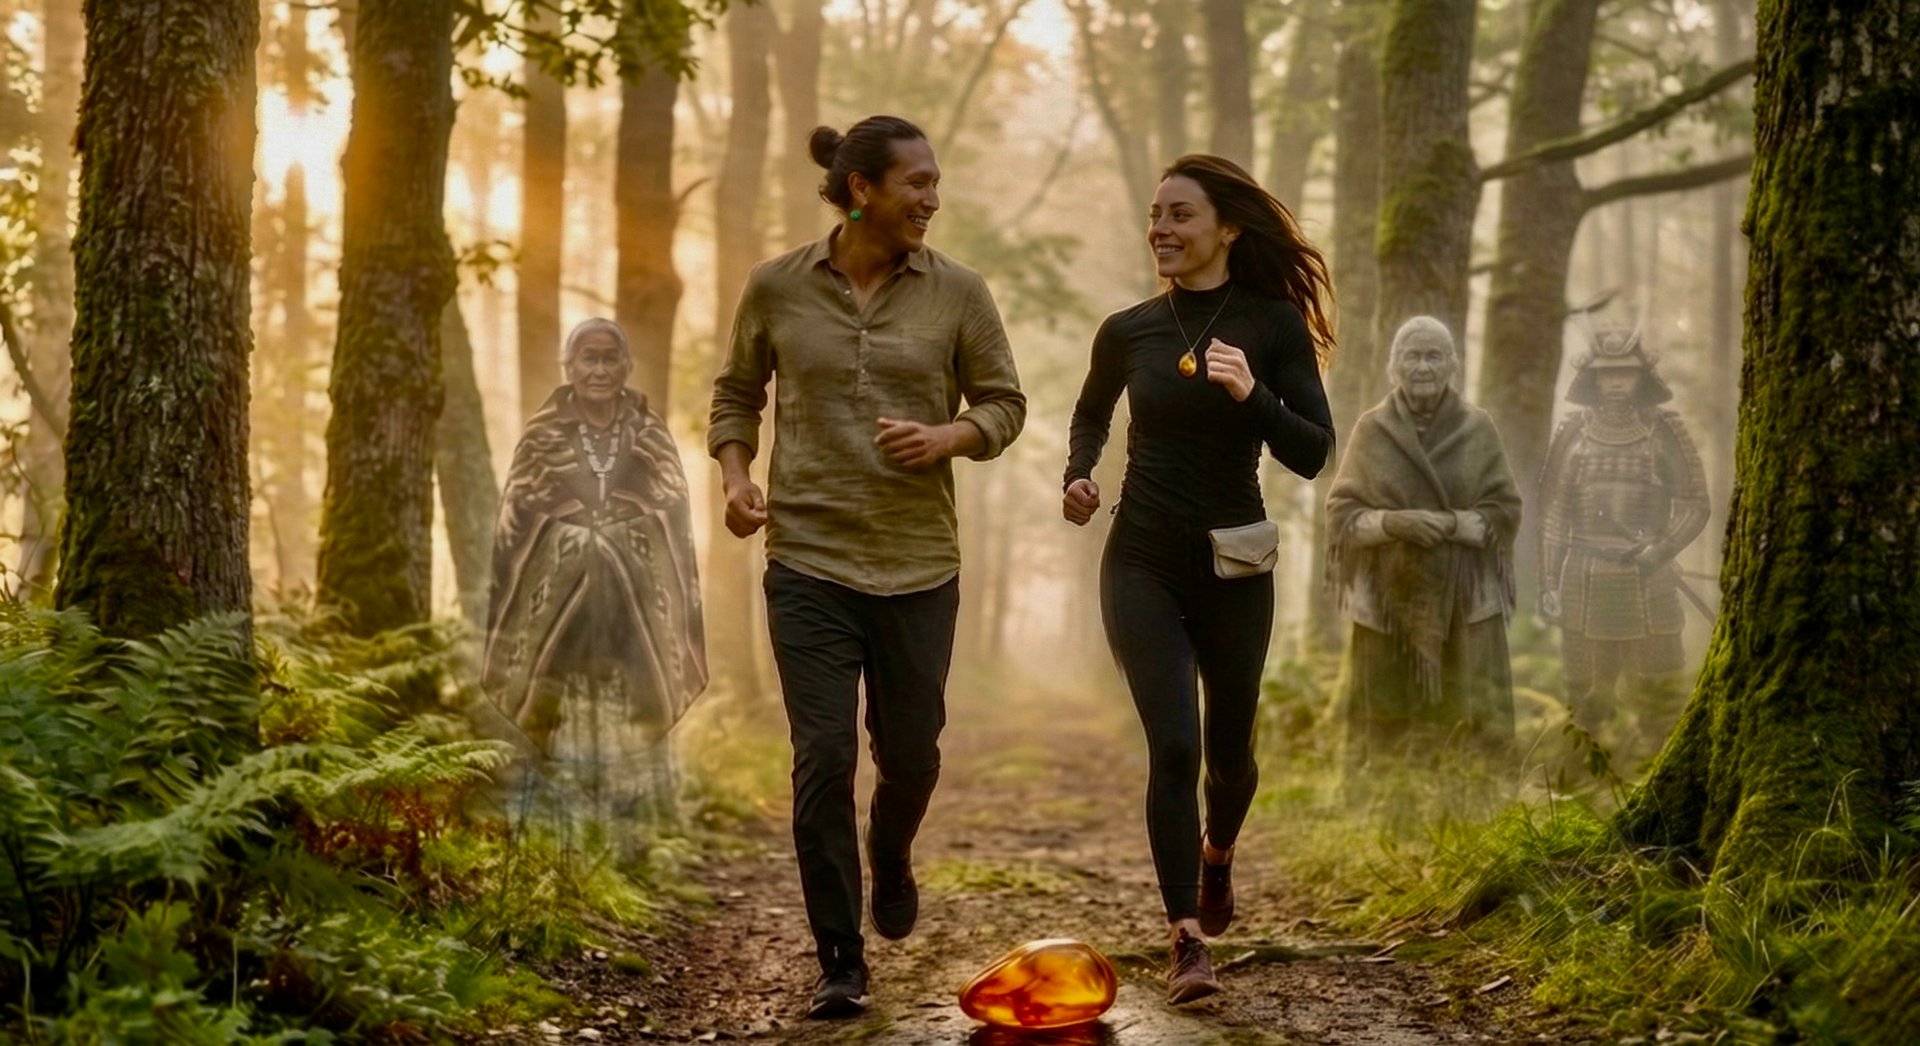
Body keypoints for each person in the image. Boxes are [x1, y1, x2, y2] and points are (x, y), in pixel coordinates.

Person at [707, 115, 1026, 1020]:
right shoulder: (775, 286)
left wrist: (951, 434)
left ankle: (891, 850)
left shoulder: (959, 293)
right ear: (861, 191)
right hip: (807, 557)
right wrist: (737, 480)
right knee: (822, 756)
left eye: (936, 181)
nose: (933, 197)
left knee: (912, 755)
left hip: (919, 563)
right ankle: (839, 959)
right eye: (916, 182)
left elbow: (1006, 403)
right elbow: (736, 394)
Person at [1062, 154, 1335, 1005]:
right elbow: (1092, 409)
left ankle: (1218, 855)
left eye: (1180, 214)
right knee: (1174, 744)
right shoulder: (1129, 328)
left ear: (1227, 229)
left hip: (1236, 565)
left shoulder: (1273, 325)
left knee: (1231, 755)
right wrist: (1079, 473)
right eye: (1155, 215)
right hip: (1140, 557)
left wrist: (1251, 391)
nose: (1162, 230)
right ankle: (1186, 941)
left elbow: (1313, 451)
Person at [482, 317, 707, 838]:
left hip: (636, 629)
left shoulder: (649, 434)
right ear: (570, 367)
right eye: (589, 358)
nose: (600, 369)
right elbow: (519, 518)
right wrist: (580, 541)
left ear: (626, 367)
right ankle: (553, 834)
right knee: (551, 719)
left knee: (635, 724)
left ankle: (639, 837)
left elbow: (669, 512)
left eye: (610, 358)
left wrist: (617, 542)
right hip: (555, 631)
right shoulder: (541, 435)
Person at [1326, 316, 1521, 767]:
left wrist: (1450, 525)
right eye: (1412, 356)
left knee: (1470, 710)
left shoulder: (1478, 428)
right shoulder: (1371, 430)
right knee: (1389, 717)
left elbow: (1505, 509)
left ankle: (1472, 794)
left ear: (1452, 364)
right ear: (1394, 366)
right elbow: (1341, 513)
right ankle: (1391, 798)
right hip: (1387, 600)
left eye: (1434, 355)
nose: (1423, 366)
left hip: (1466, 598)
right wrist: (1394, 524)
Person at [1537, 324, 1708, 731]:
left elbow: (1695, 504)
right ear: (1594, 377)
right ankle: (1585, 785)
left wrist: (1662, 550)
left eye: (1625, 372)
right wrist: (1548, 584)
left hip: (1649, 579)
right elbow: (1555, 515)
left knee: (1658, 698)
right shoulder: (1572, 434)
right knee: (1584, 699)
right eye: (1607, 373)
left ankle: (1656, 782)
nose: (1616, 382)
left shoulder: (1665, 431)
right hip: (1583, 577)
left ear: (1640, 376)